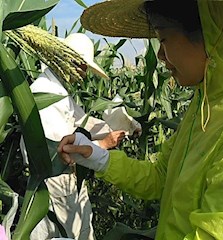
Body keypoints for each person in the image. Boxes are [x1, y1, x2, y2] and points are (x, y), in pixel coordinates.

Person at [58, 0, 223, 239]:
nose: (160, 55)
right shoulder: (206, 104)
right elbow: (161, 177)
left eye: (164, 38)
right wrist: (96, 156)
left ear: (212, 37)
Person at [20, 32, 141, 240]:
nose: (84, 74)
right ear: (70, 60)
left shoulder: (58, 91)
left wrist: (125, 127)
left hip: (67, 184)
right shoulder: (44, 94)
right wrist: (103, 144)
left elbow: (82, 120)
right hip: (54, 186)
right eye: (84, 67)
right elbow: (59, 152)